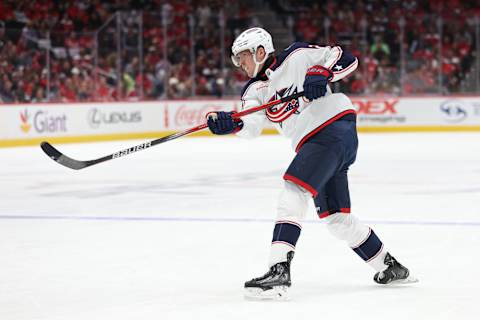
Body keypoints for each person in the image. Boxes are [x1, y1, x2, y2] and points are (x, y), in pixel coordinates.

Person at [206, 27, 417, 300]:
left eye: (243, 57)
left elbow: (345, 57)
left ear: (260, 51)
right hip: (323, 143)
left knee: (293, 190)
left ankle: (279, 269)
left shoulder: (297, 56)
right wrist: (231, 123)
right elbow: (252, 124)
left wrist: (322, 72)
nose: (240, 64)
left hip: (330, 128)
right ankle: (389, 266)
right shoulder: (255, 90)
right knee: (336, 218)